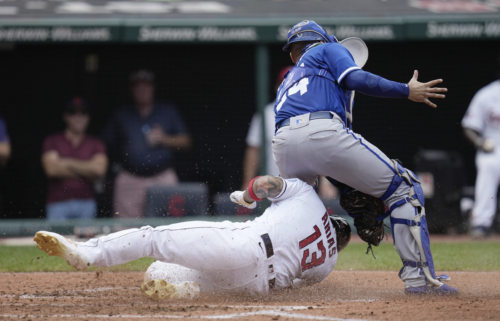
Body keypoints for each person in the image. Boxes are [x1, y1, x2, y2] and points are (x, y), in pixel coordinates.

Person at [271, 20, 458, 294]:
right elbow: (355, 79)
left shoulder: (287, 80)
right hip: (322, 130)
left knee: (294, 212)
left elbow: (310, 146)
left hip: (283, 143)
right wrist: (407, 90)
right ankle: (419, 279)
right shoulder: (328, 49)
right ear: (324, 39)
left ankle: (276, 277)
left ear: (292, 53)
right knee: (404, 188)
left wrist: (345, 185)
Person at [33, 175, 351, 299]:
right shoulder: (330, 262)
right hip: (254, 287)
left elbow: (265, 182)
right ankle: (186, 290)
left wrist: (247, 195)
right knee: (158, 272)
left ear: (331, 217)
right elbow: (293, 288)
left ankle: (88, 252)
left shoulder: (309, 196)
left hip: (244, 244)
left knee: (152, 238)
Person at [102, 70, 191, 218]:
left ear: (153, 88)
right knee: (126, 231)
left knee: (167, 229)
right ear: (131, 90)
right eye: (138, 86)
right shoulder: (121, 114)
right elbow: (104, 144)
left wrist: (165, 139)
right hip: (130, 178)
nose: (143, 90)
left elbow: (187, 142)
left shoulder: (167, 111)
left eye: (146, 86)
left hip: (162, 178)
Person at [41, 98, 107, 220]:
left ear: (88, 117)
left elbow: (99, 170)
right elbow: (52, 170)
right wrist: (87, 170)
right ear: (65, 116)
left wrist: (66, 162)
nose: (78, 116)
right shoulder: (52, 141)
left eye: (83, 112)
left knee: (86, 240)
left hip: (87, 203)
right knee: (56, 239)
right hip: (57, 203)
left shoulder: (96, 143)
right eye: (73, 112)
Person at [461, 56, 500, 238]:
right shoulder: (487, 94)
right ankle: (481, 223)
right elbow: (469, 126)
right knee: (488, 165)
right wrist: (479, 143)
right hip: (492, 146)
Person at [242, 66, 293, 187]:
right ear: (276, 87)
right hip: (271, 185)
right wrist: (247, 182)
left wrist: (326, 183)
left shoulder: (312, 113)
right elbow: (254, 150)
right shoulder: (265, 114)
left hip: (305, 185)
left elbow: (321, 150)